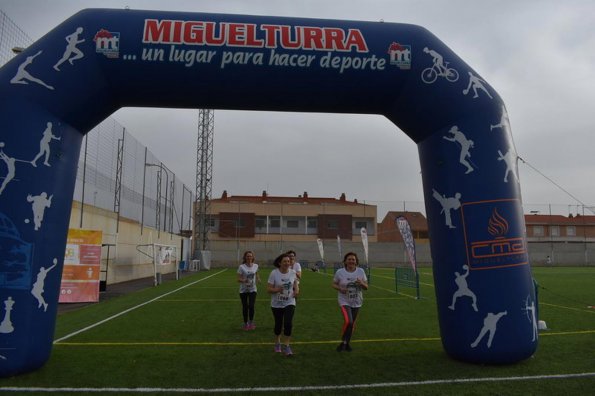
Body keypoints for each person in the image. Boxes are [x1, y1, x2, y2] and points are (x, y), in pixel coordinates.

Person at [332, 252, 368, 352]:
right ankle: (344, 341)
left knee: (352, 324)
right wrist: (340, 288)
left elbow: (366, 287)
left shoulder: (361, 271)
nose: (351, 261)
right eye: (349, 259)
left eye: (353, 259)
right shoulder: (340, 272)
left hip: (357, 301)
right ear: (345, 261)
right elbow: (333, 284)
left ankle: (345, 344)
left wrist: (361, 283)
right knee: (349, 321)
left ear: (356, 261)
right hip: (344, 300)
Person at [267, 253, 299, 356]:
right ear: (280, 263)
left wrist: (296, 290)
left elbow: (295, 283)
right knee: (278, 325)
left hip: (289, 301)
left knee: (288, 323)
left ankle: (287, 346)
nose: (287, 263)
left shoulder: (293, 272)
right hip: (276, 303)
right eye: (284, 261)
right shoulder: (274, 273)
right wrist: (277, 289)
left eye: (288, 261)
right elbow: (268, 289)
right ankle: (277, 343)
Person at [237, 250, 260, 330]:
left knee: (251, 306)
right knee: (245, 307)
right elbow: (238, 279)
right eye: (247, 256)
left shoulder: (256, 266)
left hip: (253, 289)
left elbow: (256, 273)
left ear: (253, 257)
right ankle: (245, 323)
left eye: (250, 256)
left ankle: (251, 322)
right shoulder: (241, 267)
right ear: (245, 257)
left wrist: (258, 278)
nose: (249, 257)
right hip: (243, 290)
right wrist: (244, 280)